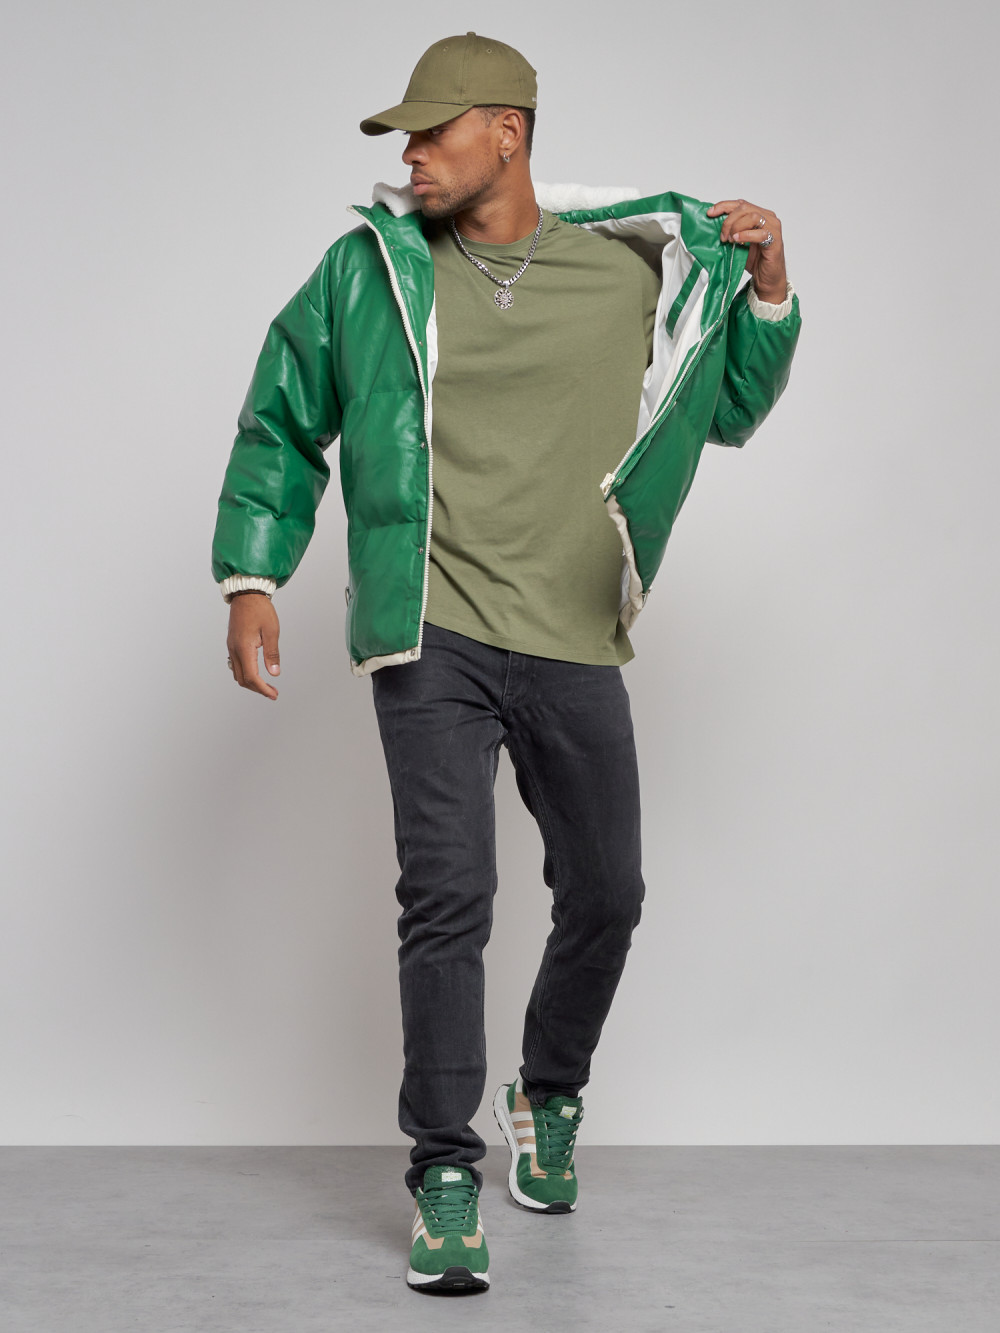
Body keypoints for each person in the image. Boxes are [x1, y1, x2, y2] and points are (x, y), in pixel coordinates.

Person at [211, 32, 801, 1295]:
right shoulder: (370, 270)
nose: (413, 154)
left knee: (608, 890)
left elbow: (729, 411)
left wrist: (764, 288)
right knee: (449, 894)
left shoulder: (624, 270)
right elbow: (283, 413)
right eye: (405, 137)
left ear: (507, 133)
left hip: (577, 632)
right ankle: (442, 1169)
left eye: (433, 130)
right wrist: (251, 573)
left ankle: (548, 1090)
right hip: (432, 630)